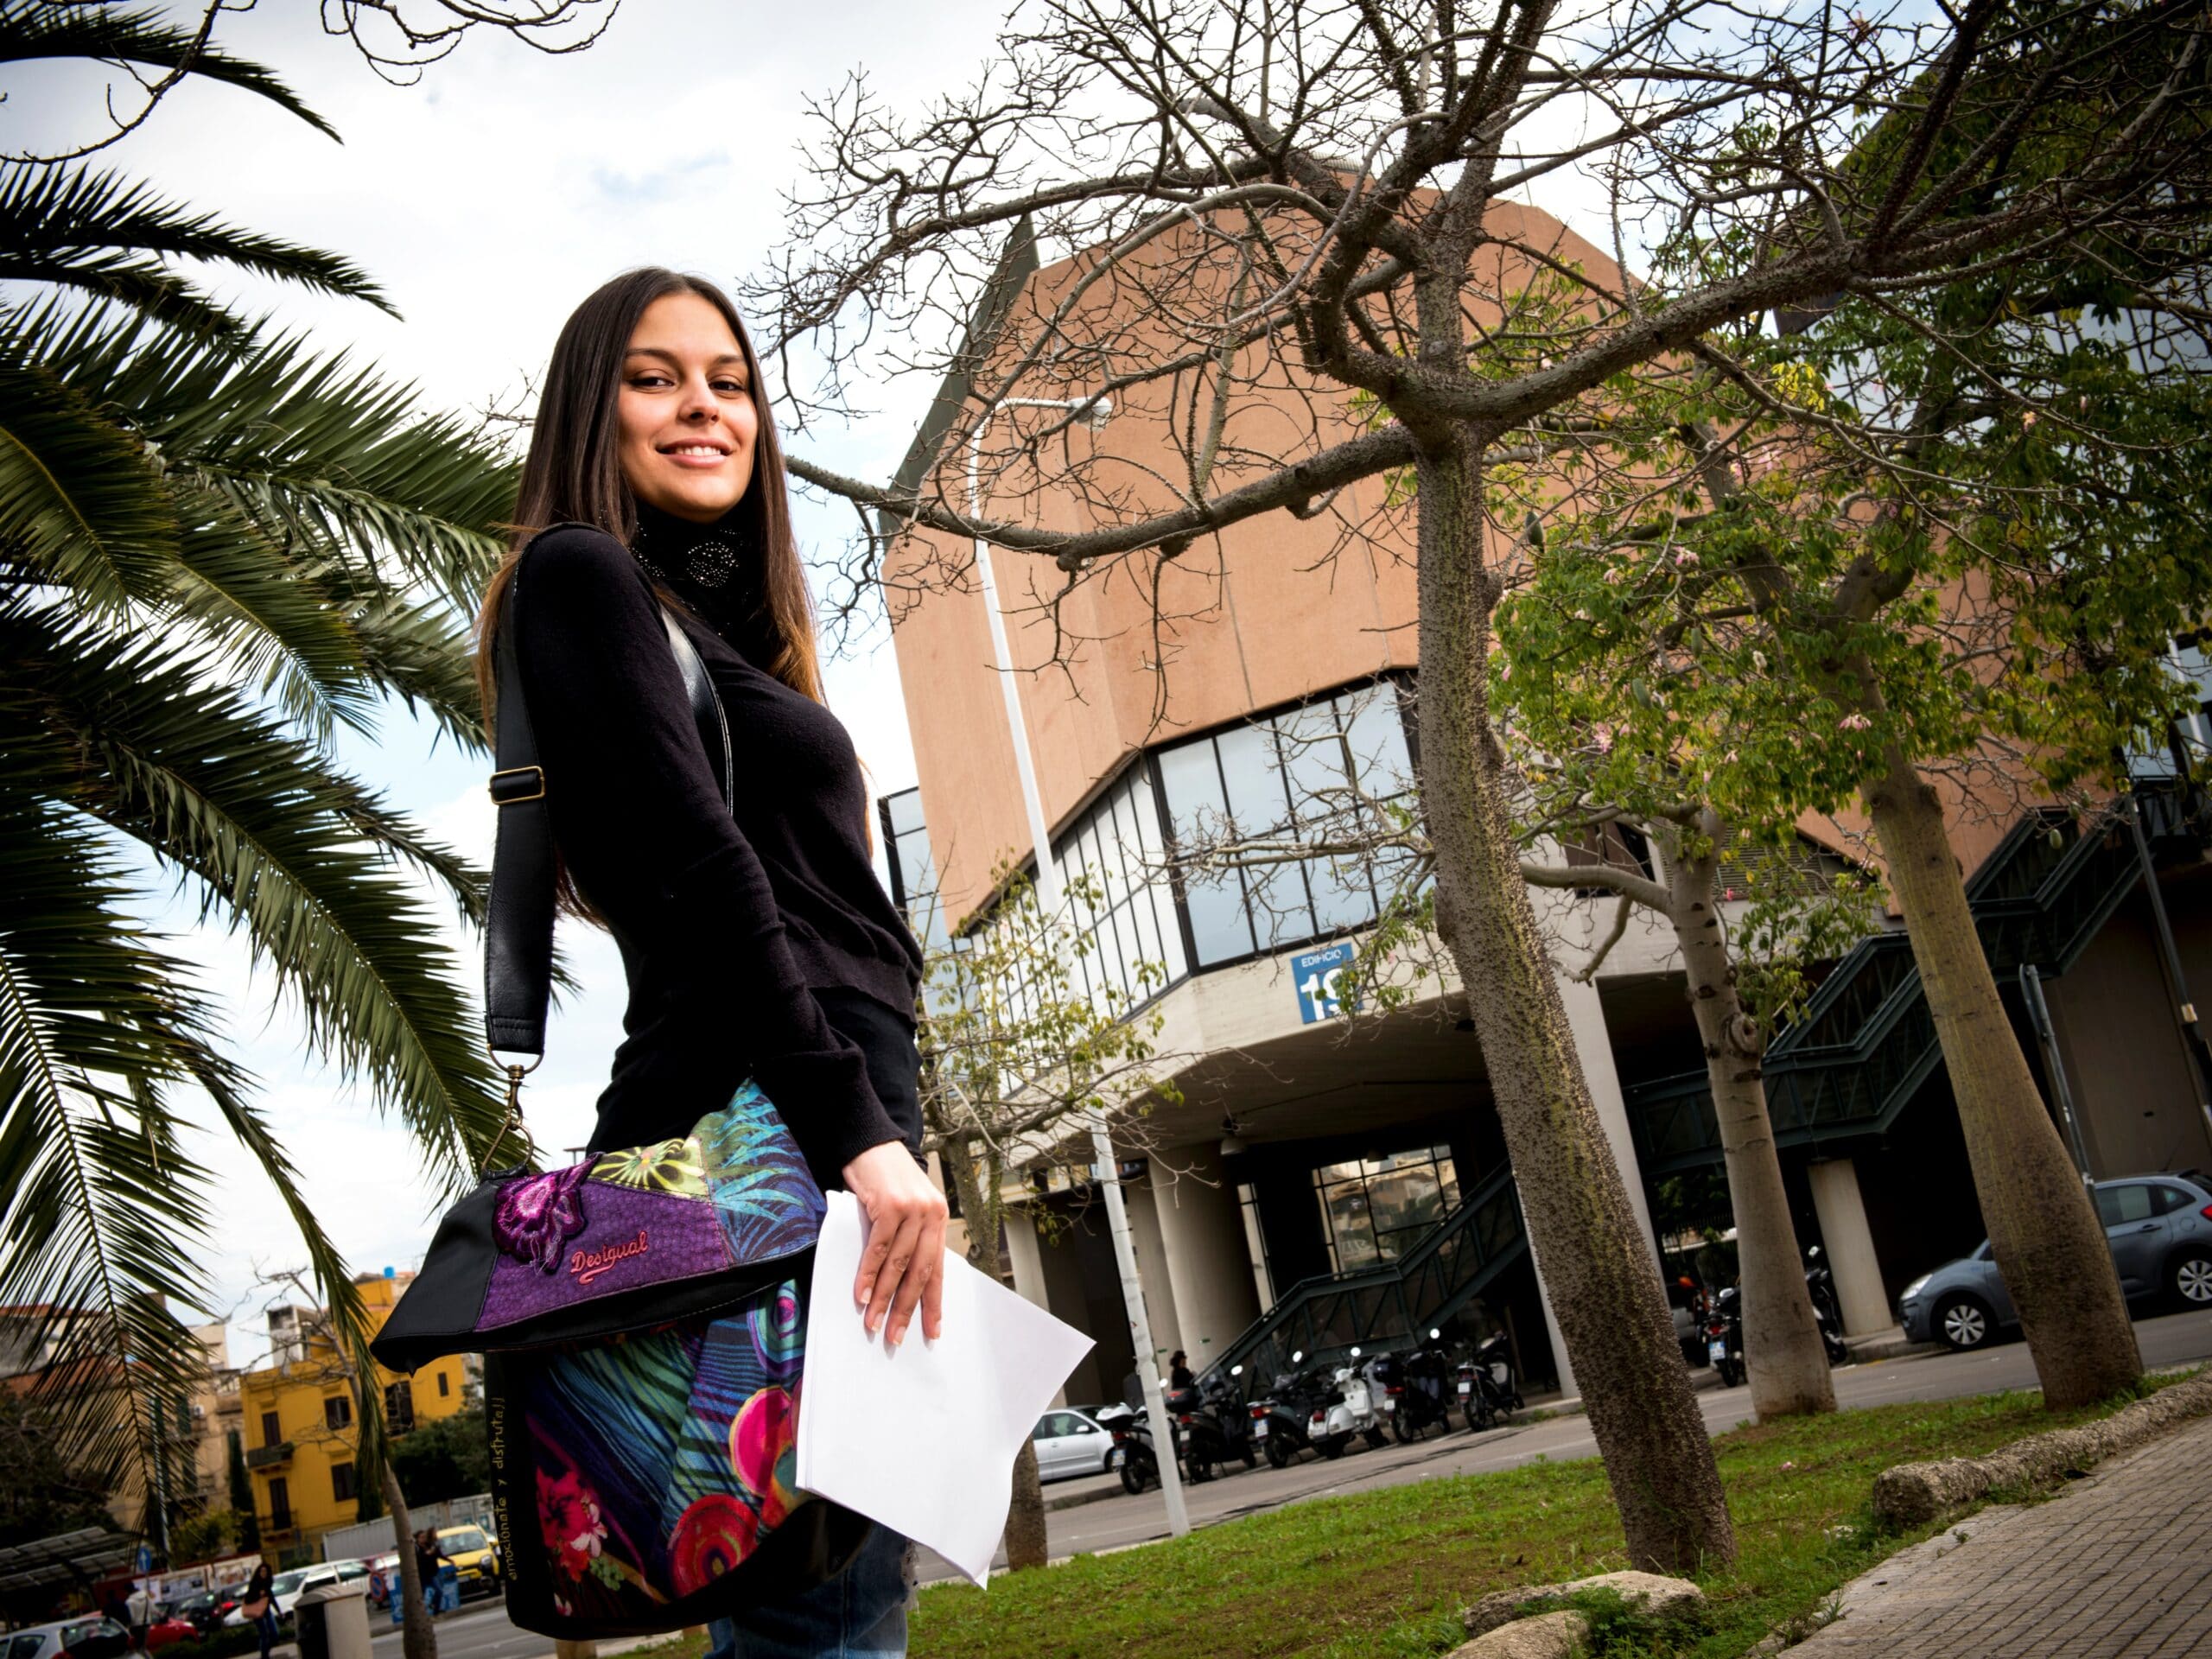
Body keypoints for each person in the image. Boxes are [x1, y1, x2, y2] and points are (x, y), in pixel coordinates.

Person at [480, 269, 947, 1656]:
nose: (704, 405)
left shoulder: (712, 639)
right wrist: (858, 1138)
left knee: (833, 1590)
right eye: (655, 375)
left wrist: (881, 1133)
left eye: (730, 380)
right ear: (591, 407)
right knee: (826, 1608)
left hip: (822, 1115)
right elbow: (701, 868)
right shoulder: (578, 573)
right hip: (770, 1127)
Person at [238, 1563, 276, 1659]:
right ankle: (264, 1656)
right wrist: (259, 1594)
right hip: (257, 1613)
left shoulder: (268, 1583)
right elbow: (248, 1599)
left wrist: (279, 1611)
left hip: (266, 1611)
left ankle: (265, 1651)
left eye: (266, 1571)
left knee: (274, 1633)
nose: (264, 1573)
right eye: (262, 1571)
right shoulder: (255, 1583)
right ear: (258, 1572)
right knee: (264, 1634)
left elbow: (271, 1598)